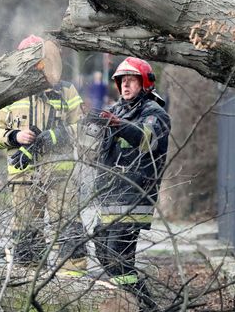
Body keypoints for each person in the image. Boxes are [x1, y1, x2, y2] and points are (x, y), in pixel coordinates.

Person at [0, 35, 88, 275]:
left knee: (68, 225)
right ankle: (28, 281)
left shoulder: (65, 90)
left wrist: (55, 136)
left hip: (60, 175)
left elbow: (84, 128)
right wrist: (15, 137)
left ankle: (74, 281)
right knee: (26, 230)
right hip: (23, 176)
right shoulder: (9, 93)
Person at [86, 57, 169, 311]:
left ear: (144, 83)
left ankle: (146, 306)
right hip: (111, 195)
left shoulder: (155, 113)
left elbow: (147, 140)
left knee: (117, 257)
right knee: (102, 249)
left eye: (131, 80)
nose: (125, 85)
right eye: (122, 81)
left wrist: (116, 124)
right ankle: (133, 301)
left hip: (135, 194)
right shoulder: (118, 110)